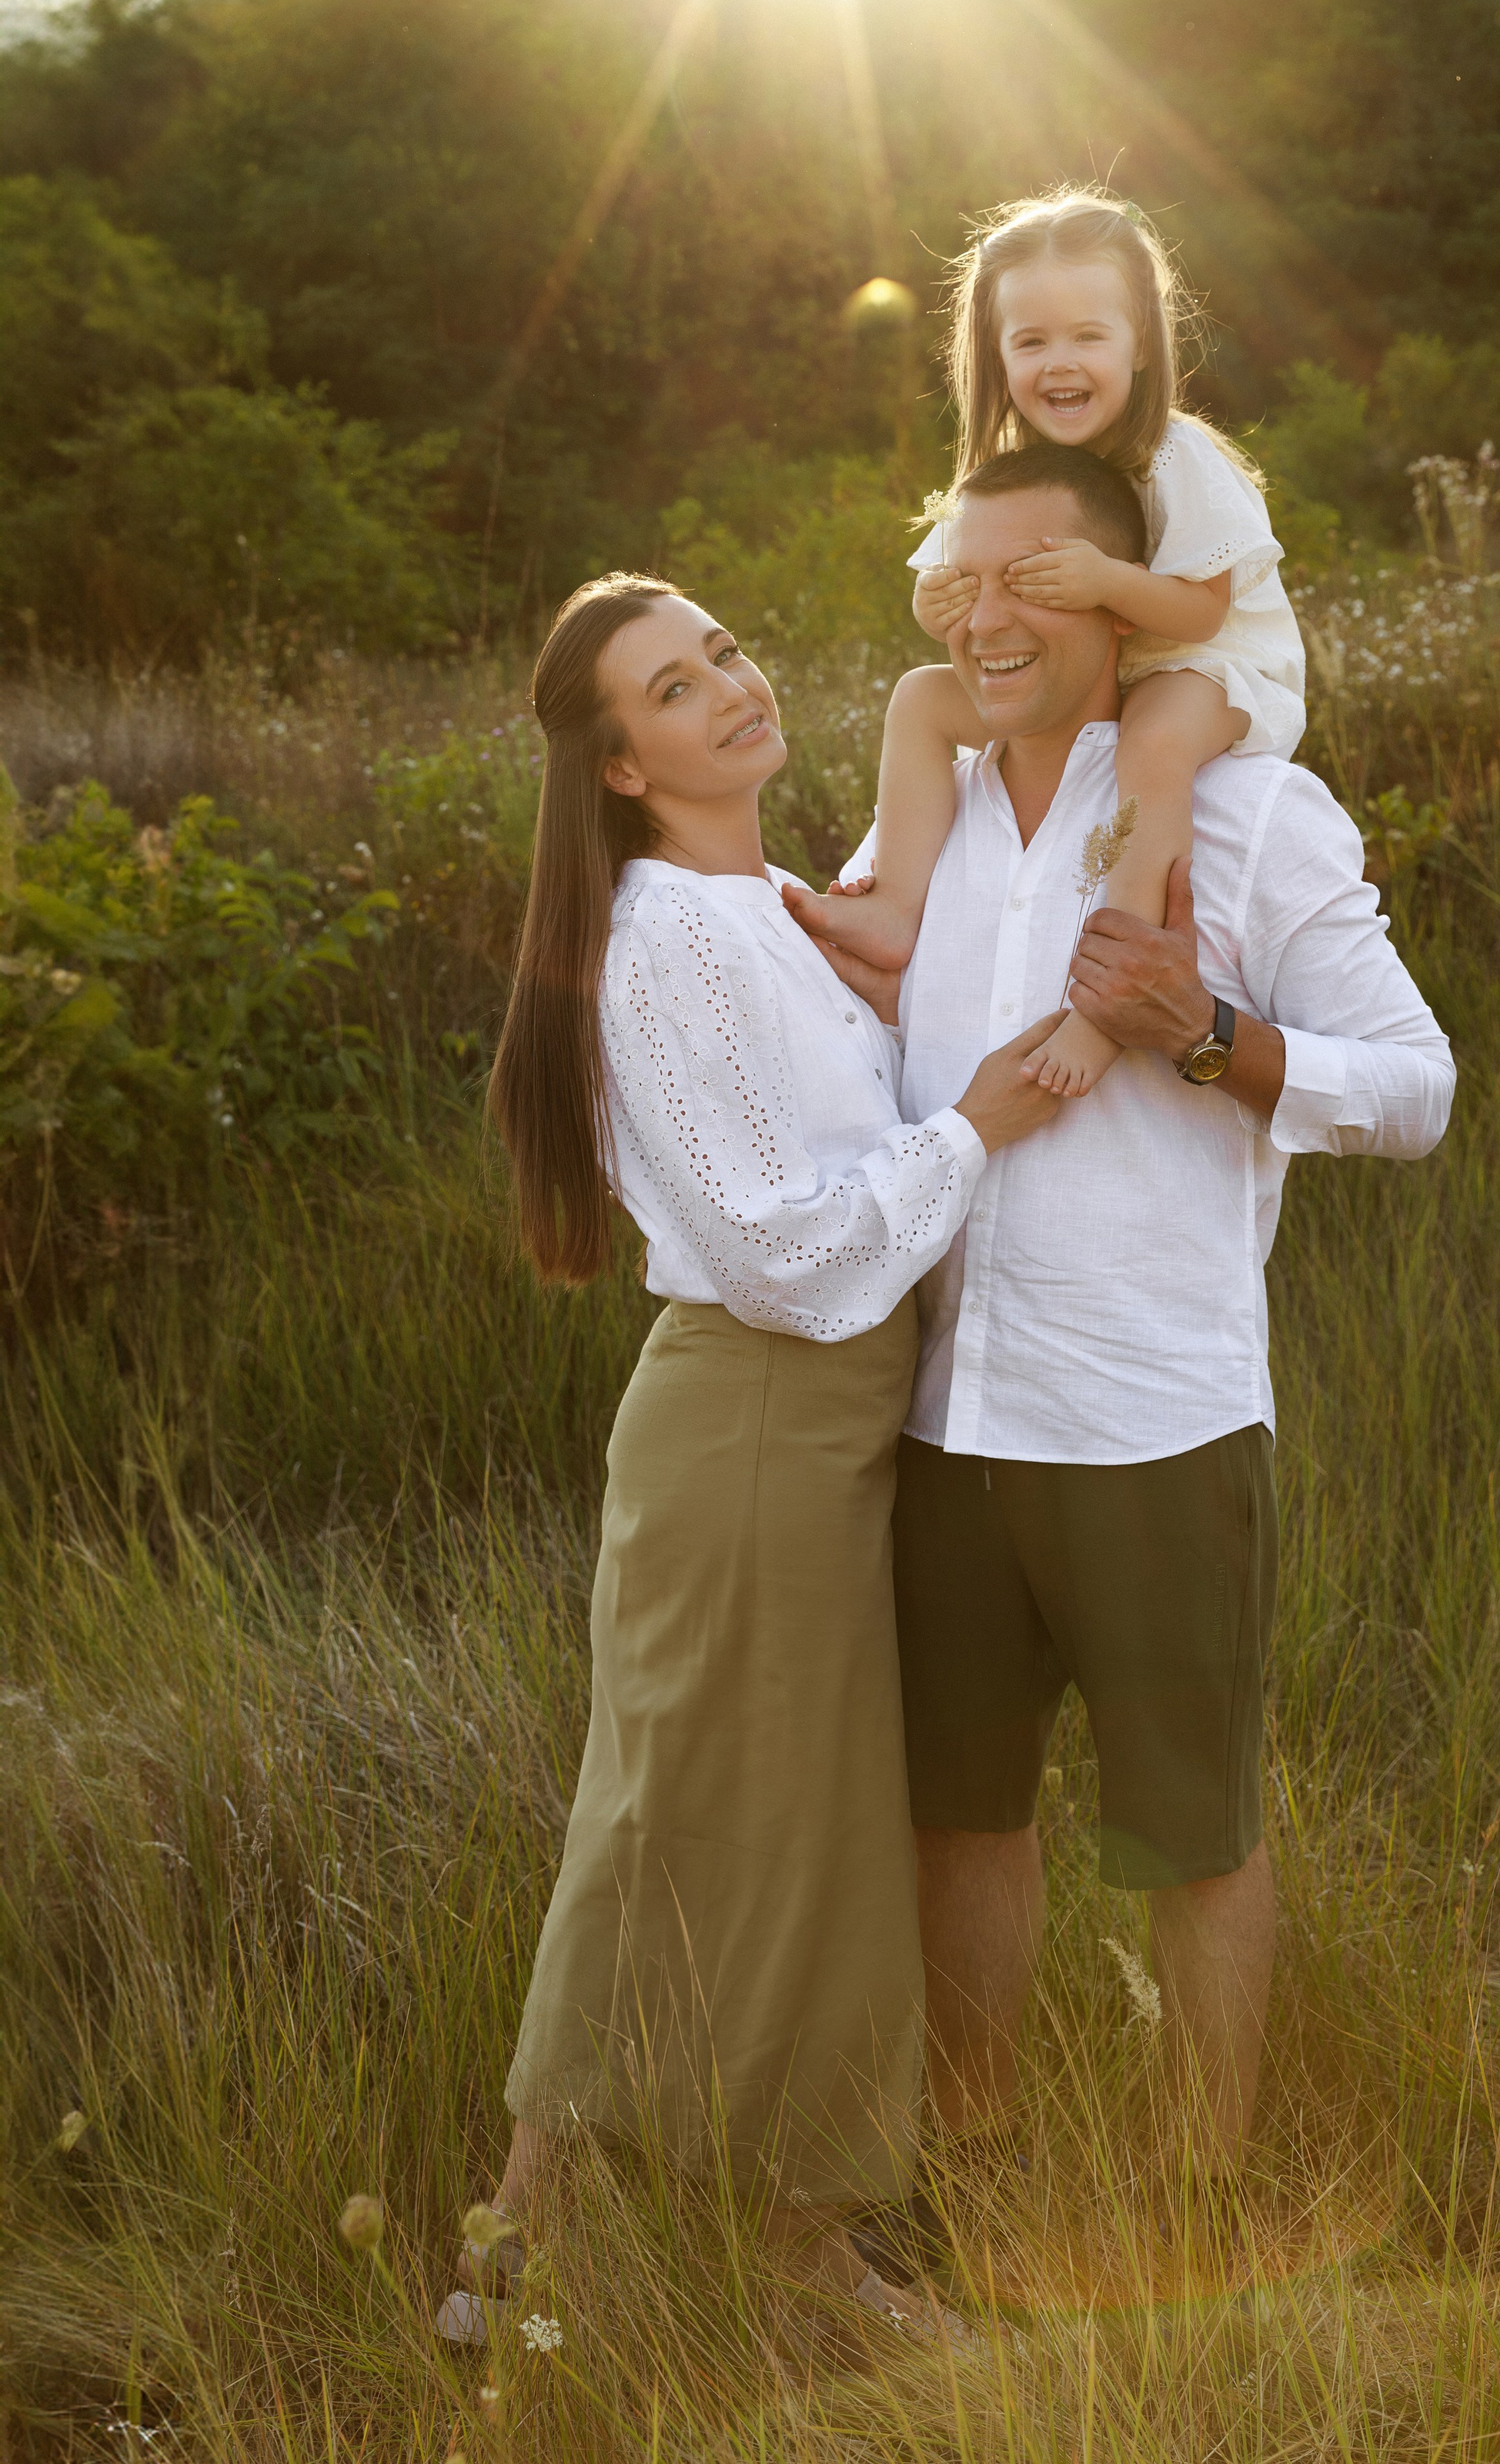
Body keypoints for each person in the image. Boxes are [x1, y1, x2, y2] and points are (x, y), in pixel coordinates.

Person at [788, 443, 1454, 2243]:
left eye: (1033, 577)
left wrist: (1200, 1030)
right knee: (955, 1816)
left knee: (1191, 1830)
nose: (986, 615)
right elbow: (837, 1029)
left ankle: (1200, 2185)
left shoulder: (1246, 815)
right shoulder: (913, 826)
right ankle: (965, 2167)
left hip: (1152, 1409)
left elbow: (1415, 1087)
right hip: (936, 1412)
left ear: (1124, 598)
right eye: (956, 580)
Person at [450, 573, 1064, 2346]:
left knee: (719, 1831)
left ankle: (522, 2258)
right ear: (621, 763)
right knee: (722, 1835)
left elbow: (941, 762)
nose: (724, 686)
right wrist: (979, 1122)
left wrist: (991, 635)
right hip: (753, 1423)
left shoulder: (771, 905)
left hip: (820, 1427)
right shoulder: (665, 939)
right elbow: (783, 1246)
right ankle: (773, 2256)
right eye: (671, 683)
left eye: (721, 647)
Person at [783, 188, 1305, 1102]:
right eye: (1030, 342)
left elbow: (1202, 610)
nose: (1058, 363)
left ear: (1140, 342)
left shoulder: (1180, 457)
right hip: (1083, 678)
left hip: (1202, 669)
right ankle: (896, 907)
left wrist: (1105, 582)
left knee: (1151, 743)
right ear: (995, 354)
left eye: (1087, 337)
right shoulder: (1005, 472)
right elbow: (933, 583)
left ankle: (1109, 993)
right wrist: (937, 598)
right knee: (918, 697)